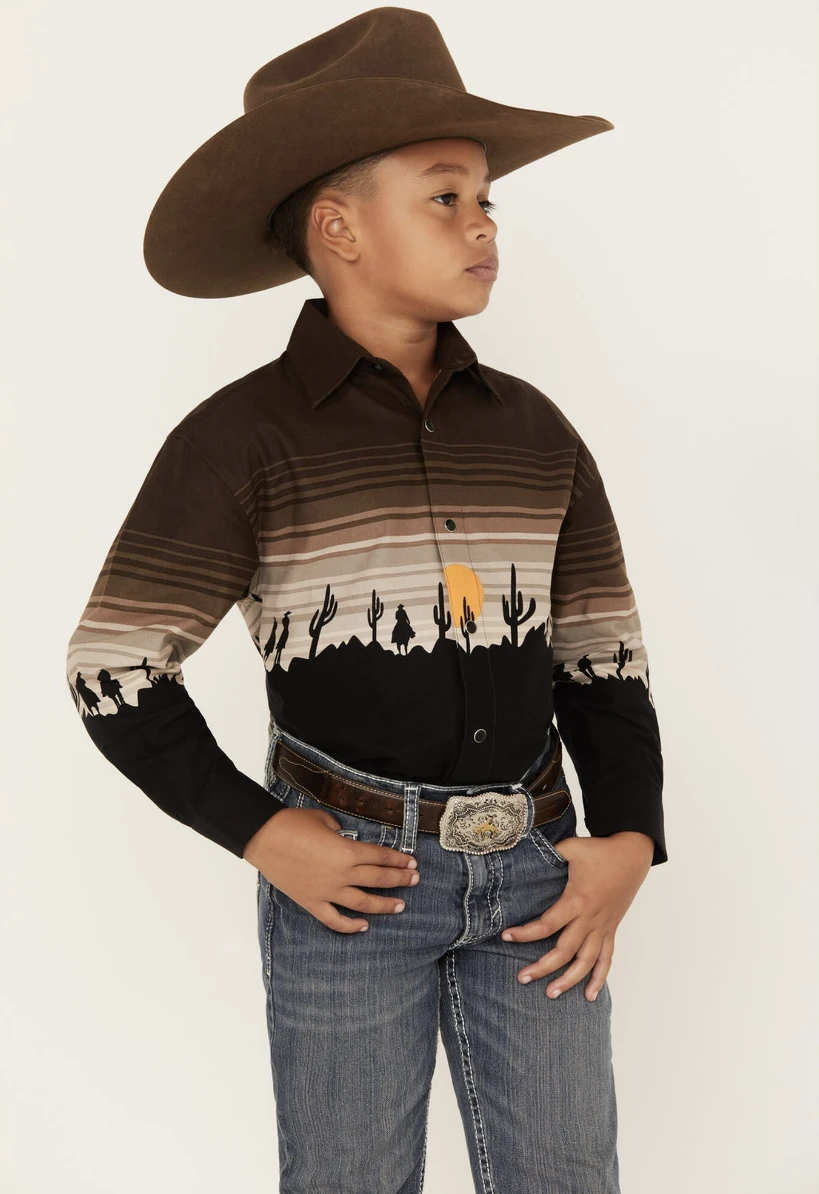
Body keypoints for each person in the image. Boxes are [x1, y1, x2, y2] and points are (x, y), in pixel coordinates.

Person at [65, 8, 667, 1192]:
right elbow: (113, 665)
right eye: (445, 196)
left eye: (488, 200)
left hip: (539, 874)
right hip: (347, 882)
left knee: (568, 1172)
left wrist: (631, 839)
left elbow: (602, 655)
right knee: (346, 1179)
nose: (483, 222)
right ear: (338, 229)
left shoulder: (536, 432)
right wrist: (260, 831)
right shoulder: (241, 440)